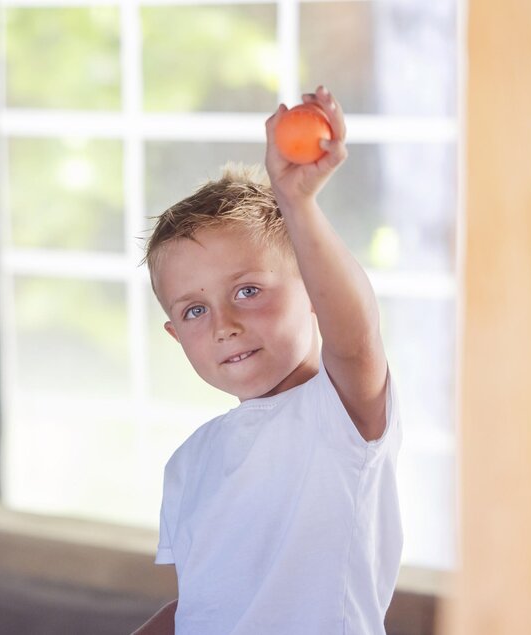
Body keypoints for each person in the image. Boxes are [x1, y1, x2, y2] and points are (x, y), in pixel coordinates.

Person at [140, 86, 402, 634]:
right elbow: (203, 609)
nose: (224, 324)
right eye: (194, 311)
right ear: (174, 335)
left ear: (311, 287)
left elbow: (355, 337)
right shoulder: (190, 464)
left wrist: (298, 205)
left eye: (248, 291)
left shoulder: (339, 412)